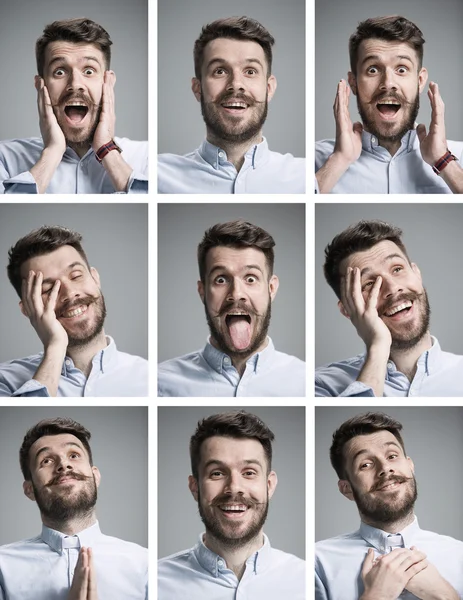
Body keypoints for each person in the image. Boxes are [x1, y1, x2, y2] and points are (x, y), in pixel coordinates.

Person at [315, 412, 463, 600]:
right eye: (366, 465)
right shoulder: (317, 563)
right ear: (347, 488)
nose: (385, 468)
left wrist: (444, 595)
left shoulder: (460, 555)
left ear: (410, 466)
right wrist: (377, 595)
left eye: (392, 456)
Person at [158, 410, 305, 598]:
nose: (234, 488)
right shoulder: (155, 583)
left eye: (249, 472)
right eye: (217, 473)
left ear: (269, 485)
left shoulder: (307, 582)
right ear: (195, 487)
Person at [0, 417, 147, 599]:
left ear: (95, 476)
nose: (64, 465)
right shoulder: (2, 567)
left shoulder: (144, 565)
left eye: (74, 455)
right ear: (29, 489)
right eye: (46, 461)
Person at [315, 15, 463, 194]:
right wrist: (339, 160)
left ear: (420, 80)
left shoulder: (458, 157)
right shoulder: (316, 161)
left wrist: (443, 161)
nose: (388, 83)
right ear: (353, 83)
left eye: (401, 69)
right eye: (373, 69)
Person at [158, 16, 305, 194]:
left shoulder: (306, 178)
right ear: (198, 88)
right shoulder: (157, 177)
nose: (236, 84)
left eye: (250, 71)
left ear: (269, 88)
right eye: (220, 71)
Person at [158, 220, 306, 396]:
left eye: (250, 278)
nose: (236, 294)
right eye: (221, 279)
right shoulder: (160, 383)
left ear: (271, 289)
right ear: (202, 291)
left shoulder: (305, 382)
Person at [0, 17, 148, 194]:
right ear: (41, 85)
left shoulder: (147, 158)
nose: (75, 84)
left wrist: (107, 150)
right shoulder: (5, 159)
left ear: (107, 82)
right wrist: (52, 152)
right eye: (60, 71)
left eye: (88, 71)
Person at [315, 220, 463, 396]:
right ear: (347, 309)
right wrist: (378, 346)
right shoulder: (320, 385)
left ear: (417, 273)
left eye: (397, 269)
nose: (393, 288)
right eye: (369, 283)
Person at [0, 225, 148, 397]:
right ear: (27, 309)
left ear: (95, 278)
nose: (70, 293)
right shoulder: (5, 381)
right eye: (47, 289)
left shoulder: (152, 378)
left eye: (76, 276)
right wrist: (55, 347)